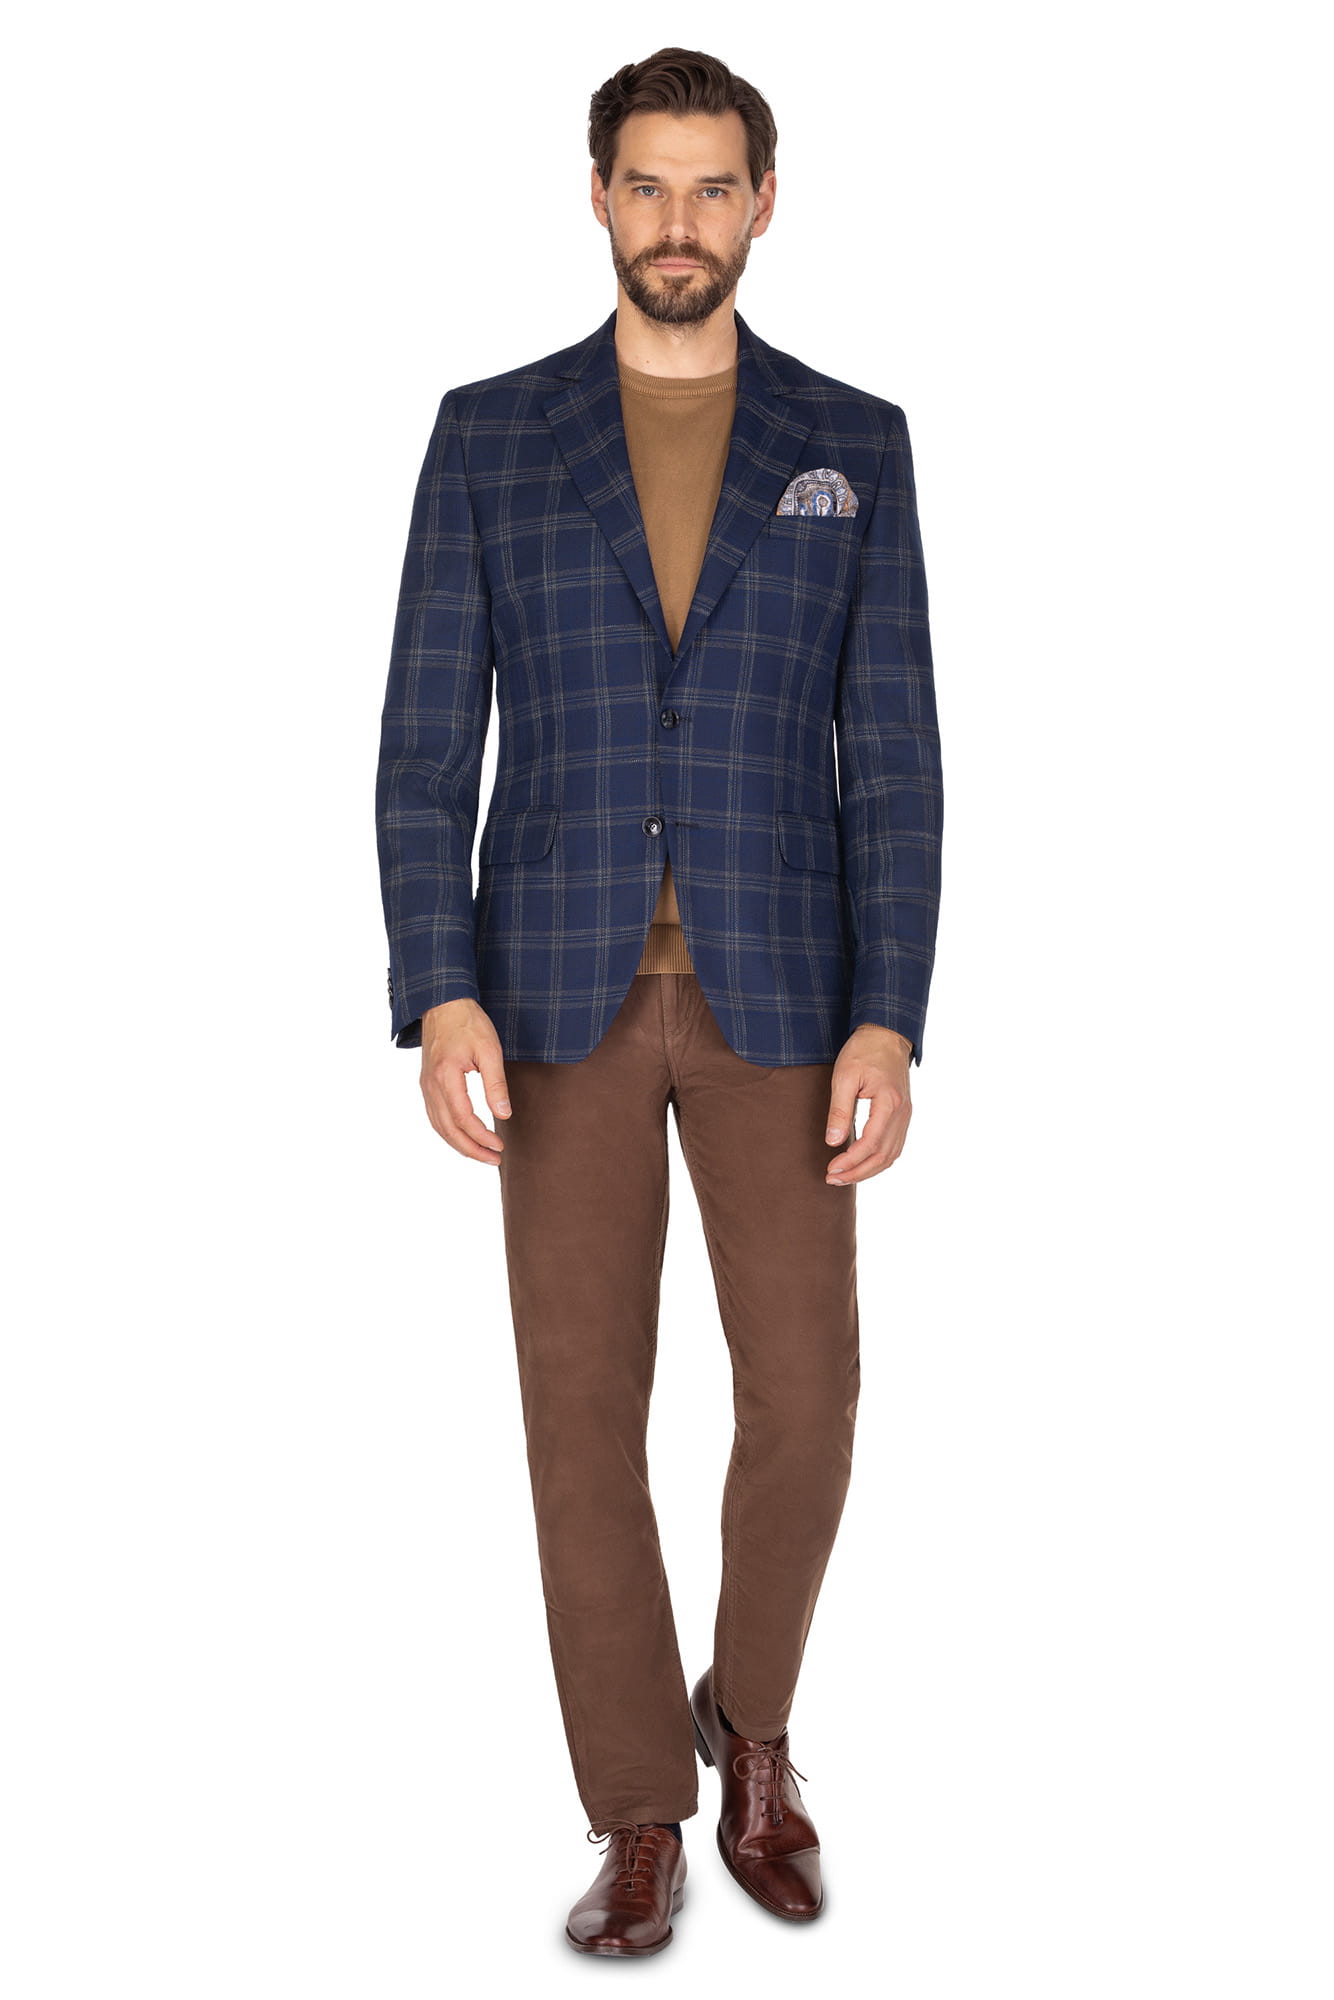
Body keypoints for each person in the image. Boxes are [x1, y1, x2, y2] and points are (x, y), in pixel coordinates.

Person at [374, 46, 944, 1956]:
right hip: (554, 1001)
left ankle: (749, 1722)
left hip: (788, 997)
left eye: (712, 186)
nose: (678, 222)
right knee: (578, 1414)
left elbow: (899, 759)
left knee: (808, 1398)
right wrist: (437, 988)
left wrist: (890, 1014)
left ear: (762, 202)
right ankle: (637, 1806)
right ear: (599, 196)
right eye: (647, 184)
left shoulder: (853, 441)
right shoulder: (490, 434)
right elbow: (422, 748)